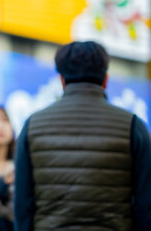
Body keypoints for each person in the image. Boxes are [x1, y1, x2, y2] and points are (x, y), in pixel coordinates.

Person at [14, 41, 151, 231]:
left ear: (61, 80)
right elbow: (145, 205)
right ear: (106, 79)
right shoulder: (133, 126)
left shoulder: (33, 125)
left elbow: (22, 205)